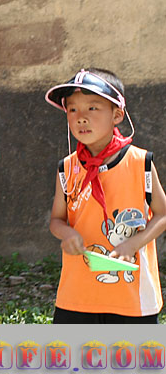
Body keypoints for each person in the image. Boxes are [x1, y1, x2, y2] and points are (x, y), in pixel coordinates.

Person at [46, 68, 166, 323]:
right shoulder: (67, 168)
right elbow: (57, 220)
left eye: (93, 108)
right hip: (77, 295)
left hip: (132, 297)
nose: (81, 118)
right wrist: (67, 233)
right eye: (72, 110)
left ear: (117, 115)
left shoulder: (139, 162)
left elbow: (163, 214)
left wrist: (133, 244)